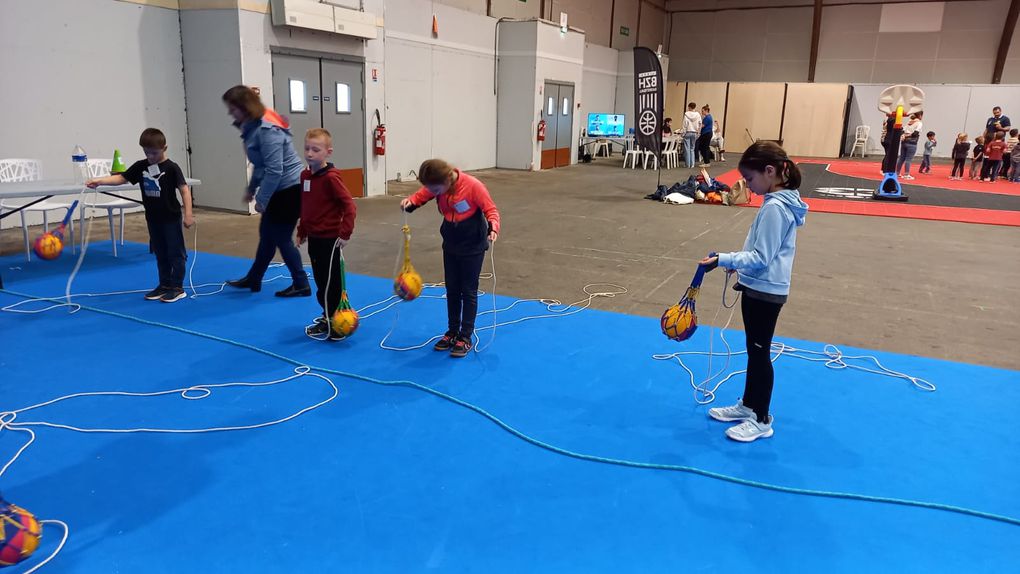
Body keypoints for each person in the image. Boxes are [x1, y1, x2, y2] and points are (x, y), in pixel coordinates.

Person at [699, 141, 807, 443]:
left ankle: (761, 418)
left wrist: (725, 259)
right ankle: (749, 405)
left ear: (770, 172)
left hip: (766, 293)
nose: (747, 184)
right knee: (753, 350)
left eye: (750, 179)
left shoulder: (776, 208)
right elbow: (760, 253)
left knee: (760, 354)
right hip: (759, 286)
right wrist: (739, 266)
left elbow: (761, 258)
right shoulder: (779, 201)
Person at [400, 159, 500, 358]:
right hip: (451, 242)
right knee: (452, 289)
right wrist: (411, 202)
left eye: (436, 189)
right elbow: (423, 194)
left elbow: (491, 210)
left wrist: (493, 227)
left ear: (448, 179)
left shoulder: (473, 186)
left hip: (473, 243)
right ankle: (452, 331)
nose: (434, 192)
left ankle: (465, 336)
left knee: (468, 290)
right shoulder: (438, 186)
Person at [221, 85, 310, 297]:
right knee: (267, 236)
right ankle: (254, 278)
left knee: (281, 237)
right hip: (278, 189)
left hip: (289, 190)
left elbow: (275, 169)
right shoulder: (251, 129)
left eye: (233, 109)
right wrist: (251, 189)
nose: (230, 113)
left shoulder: (267, 130)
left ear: (245, 107)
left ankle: (301, 283)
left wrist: (262, 199)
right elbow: (260, 166)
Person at [87, 128, 193, 303]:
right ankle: (164, 284)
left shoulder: (172, 168)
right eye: (146, 152)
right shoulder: (141, 166)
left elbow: (184, 190)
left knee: (175, 253)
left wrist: (188, 214)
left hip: (171, 218)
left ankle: (177, 287)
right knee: (160, 253)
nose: (150, 156)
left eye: (154, 153)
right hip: (153, 218)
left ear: (164, 148)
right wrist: (100, 181)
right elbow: (122, 178)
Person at [296, 128, 357, 340]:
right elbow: (306, 206)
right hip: (314, 239)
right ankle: (328, 315)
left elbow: (349, 205)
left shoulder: (331, 178)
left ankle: (336, 322)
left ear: (328, 152)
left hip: (330, 240)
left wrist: (345, 232)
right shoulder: (305, 176)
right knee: (321, 282)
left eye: (316, 149)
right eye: (307, 149)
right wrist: (302, 230)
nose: (310, 153)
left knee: (332, 284)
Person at [896, 111, 922, 180]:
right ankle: (906, 174)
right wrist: (908, 135)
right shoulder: (919, 123)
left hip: (904, 142)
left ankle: (897, 173)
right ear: (920, 116)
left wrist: (904, 135)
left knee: (901, 158)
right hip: (912, 142)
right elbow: (915, 133)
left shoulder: (909, 122)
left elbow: (902, 130)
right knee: (908, 159)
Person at [682, 102, 701, 169]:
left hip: (688, 132)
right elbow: (700, 124)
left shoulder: (686, 114)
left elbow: (685, 124)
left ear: (689, 107)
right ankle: (692, 164)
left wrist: (683, 133)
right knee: (692, 148)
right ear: (695, 107)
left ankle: (688, 164)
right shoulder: (698, 115)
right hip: (695, 133)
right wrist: (698, 132)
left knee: (687, 149)